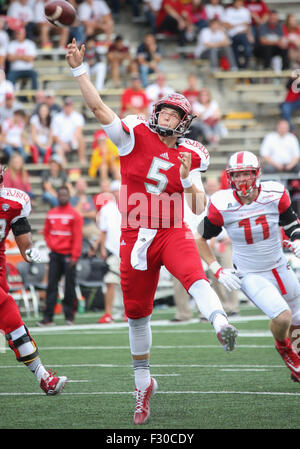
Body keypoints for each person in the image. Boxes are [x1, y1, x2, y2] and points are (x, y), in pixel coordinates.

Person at [66, 37, 238, 425]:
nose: (166, 117)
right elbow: (96, 107)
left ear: (185, 122)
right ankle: (143, 384)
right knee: (136, 315)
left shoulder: (191, 153)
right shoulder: (131, 136)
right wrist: (79, 69)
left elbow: (196, 207)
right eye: (163, 110)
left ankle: (221, 323)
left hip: (171, 228)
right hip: (134, 236)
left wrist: (188, 180)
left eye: (174, 114)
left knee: (194, 276)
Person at [197, 150, 300, 382]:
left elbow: (291, 223)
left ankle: (297, 359)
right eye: (238, 174)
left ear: (257, 174)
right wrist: (217, 269)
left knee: (297, 319)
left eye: (247, 173)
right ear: (230, 177)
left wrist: (297, 240)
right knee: (282, 316)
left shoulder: (274, 193)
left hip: (279, 266)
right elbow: (199, 238)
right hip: (250, 273)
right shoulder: (222, 203)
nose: (242, 179)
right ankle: (285, 351)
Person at [0, 164, 68, 395]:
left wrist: (29, 252)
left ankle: (44, 379)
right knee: (10, 313)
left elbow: (23, 241)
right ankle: (44, 377)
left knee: (12, 325)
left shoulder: (14, 202)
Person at [38, 185, 83, 326]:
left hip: (69, 256)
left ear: (69, 196)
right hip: (55, 255)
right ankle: (48, 318)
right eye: (60, 195)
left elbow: (77, 237)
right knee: (51, 286)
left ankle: (69, 317)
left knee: (69, 287)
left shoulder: (74, 214)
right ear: (57, 196)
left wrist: (75, 256)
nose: (63, 197)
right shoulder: (51, 213)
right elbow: (46, 232)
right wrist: (52, 245)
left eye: (65, 195)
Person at [95, 180, 122, 323]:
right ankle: (108, 313)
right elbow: (103, 231)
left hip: (127, 249)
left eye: (119, 190)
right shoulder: (107, 209)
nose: (118, 193)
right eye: (115, 190)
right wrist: (102, 248)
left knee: (128, 284)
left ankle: (127, 312)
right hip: (112, 249)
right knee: (110, 282)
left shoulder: (132, 206)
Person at [51, 97, 86, 165]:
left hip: (73, 141)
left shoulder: (78, 116)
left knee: (81, 138)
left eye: (69, 106)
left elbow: (79, 129)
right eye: (66, 106)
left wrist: (73, 139)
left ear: (72, 106)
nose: (68, 108)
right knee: (59, 150)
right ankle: (65, 169)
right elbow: (54, 135)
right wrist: (63, 144)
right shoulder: (57, 117)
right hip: (61, 142)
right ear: (63, 107)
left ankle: (82, 160)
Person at [222, 0, 253, 70]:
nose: (239, 4)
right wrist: (240, 24)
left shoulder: (245, 11)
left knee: (248, 49)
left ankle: (244, 66)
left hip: (243, 33)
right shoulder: (229, 11)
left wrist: (249, 35)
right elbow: (226, 25)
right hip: (232, 34)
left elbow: (248, 25)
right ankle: (237, 66)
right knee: (234, 50)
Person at [71, 178, 100, 243]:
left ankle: (92, 251)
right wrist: (81, 202)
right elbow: (73, 214)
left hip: (88, 225)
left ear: (86, 186)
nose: (81, 187)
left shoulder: (89, 198)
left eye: (83, 185)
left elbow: (94, 214)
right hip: (76, 226)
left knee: (101, 236)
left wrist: (82, 214)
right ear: (76, 186)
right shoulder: (72, 199)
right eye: (79, 185)